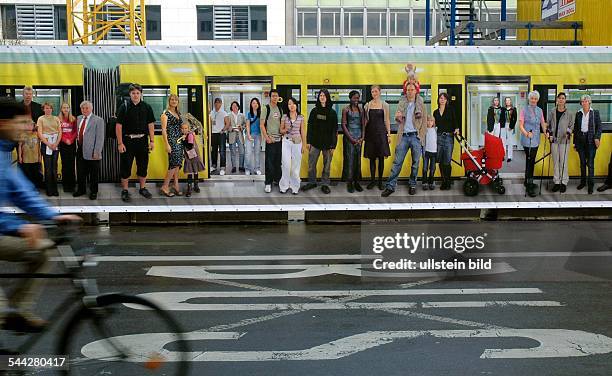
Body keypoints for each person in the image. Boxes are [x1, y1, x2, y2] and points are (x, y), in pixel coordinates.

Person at [0, 97, 81, 332]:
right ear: (4, 123)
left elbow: (20, 191)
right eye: (22, 123)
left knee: (42, 252)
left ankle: (17, 312)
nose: (28, 128)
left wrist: (53, 216)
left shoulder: (4, 152)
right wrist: (18, 227)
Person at [382, 82, 427, 197]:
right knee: (397, 162)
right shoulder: (402, 103)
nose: (410, 92)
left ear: (416, 91)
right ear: (405, 91)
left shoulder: (421, 104)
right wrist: (397, 117)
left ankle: (412, 184)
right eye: (408, 90)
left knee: (415, 163)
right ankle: (390, 186)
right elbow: (398, 119)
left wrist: (420, 137)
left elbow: (425, 122)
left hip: (415, 137)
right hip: (403, 136)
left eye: (412, 89)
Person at [115, 83, 156, 202]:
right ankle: (125, 190)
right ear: (130, 94)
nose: (136, 95)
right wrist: (120, 143)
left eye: (138, 93)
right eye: (133, 93)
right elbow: (118, 126)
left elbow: (150, 124)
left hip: (143, 140)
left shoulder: (147, 107)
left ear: (141, 94)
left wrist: (152, 140)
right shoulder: (124, 107)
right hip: (127, 141)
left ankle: (142, 188)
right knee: (125, 166)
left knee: (143, 165)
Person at [302, 89, 338, 194]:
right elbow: (310, 126)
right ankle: (312, 182)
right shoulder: (314, 111)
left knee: (327, 166)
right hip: (315, 143)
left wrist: (333, 145)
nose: (322, 97)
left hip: (328, 144)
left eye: (324, 95)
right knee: (311, 164)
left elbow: (334, 130)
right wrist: (308, 141)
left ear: (327, 97)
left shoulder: (332, 113)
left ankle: (325, 184)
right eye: (320, 95)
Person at [73, 101, 105, 200]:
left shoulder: (98, 120)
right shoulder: (78, 118)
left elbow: (100, 138)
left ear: (91, 109)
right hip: (80, 149)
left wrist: (97, 152)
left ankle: (93, 192)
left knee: (94, 173)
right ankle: (81, 190)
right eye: (83, 108)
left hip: (93, 151)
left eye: (87, 108)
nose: (85, 110)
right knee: (80, 171)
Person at [519, 91, 547, 197]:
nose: (533, 100)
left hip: (536, 139)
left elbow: (542, 123)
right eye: (532, 98)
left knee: (530, 160)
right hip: (527, 139)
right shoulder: (524, 110)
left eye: (535, 99)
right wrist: (526, 133)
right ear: (529, 99)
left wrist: (546, 133)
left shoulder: (540, 110)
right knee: (530, 160)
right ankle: (529, 185)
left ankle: (527, 180)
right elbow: (520, 125)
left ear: (537, 100)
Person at [363, 85, 391, 190]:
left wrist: (388, 134)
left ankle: (380, 181)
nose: (374, 93)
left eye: (375, 91)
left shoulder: (385, 105)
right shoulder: (367, 105)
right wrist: (362, 134)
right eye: (372, 92)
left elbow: (387, 120)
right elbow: (365, 121)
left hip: (381, 135)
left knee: (381, 159)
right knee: (371, 159)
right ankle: (372, 181)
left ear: (379, 92)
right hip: (370, 135)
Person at [573, 95, 602, 194]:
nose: (584, 103)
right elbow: (576, 129)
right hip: (580, 140)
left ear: (590, 102)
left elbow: (599, 127)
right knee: (582, 163)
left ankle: (590, 185)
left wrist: (597, 137)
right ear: (581, 103)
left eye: (586, 101)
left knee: (590, 164)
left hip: (591, 141)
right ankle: (583, 182)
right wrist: (574, 143)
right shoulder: (578, 113)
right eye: (583, 101)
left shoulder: (595, 113)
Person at [546, 92, 574, 193]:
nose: (561, 100)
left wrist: (568, 133)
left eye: (563, 98)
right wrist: (549, 133)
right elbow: (547, 124)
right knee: (555, 162)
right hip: (554, 140)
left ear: (565, 100)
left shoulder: (569, 113)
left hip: (564, 141)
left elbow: (571, 126)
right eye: (560, 98)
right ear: (557, 100)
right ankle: (557, 182)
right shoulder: (552, 111)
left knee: (563, 162)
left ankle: (564, 182)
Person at [279, 98, 307, 194]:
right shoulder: (284, 117)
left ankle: (295, 187)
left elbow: (303, 131)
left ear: (296, 105)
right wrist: (285, 129)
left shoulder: (301, 117)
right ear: (287, 106)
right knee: (286, 165)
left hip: (297, 143)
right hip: (286, 142)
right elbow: (280, 130)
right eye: (289, 104)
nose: (292, 105)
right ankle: (284, 186)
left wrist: (304, 145)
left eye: (293, 104)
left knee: (296, 166)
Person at [433, 93, 459, 190]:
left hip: (448, 137)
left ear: (447, 100)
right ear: (438, 100)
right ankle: (444, 181)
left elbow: (455, 120)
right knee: (439, 160)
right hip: (439, 137)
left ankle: (447, 182)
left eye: (444, 98)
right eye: (440, 98)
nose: (442, 100)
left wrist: (457, 128)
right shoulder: (435, 112)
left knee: (447, 161)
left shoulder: (451, 110)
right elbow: (434, 125)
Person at [160, 94, 185, 197]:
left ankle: (176, 185)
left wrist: (184, 134)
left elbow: (180, 127)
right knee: (173, 165)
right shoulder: (165, 114)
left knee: (178, 165)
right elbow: (164, 130)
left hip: (179, 142)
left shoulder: (178, 113)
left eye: (176, 100)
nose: (174, 101)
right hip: (172, 142)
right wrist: (167, 145)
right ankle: (165, 186)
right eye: (172, 99)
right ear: (169, 101)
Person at [341, 91, 365, 193]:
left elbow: (363, 124)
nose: (356, 100)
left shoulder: (361, 109)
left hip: (359, 138)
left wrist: (362, 137)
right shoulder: (345, 109)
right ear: (350, 98)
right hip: (349, 138)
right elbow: (343, 125)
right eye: (354, 98)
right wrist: (351, 139)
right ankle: (349, 182)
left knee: (357, 161)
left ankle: (356, 182)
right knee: (350, 161)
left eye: (358, 98)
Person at [36, 102, 62, 197]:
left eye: (50, 108)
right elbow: (40, 133)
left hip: (55, 144)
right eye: (46, 108)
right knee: (47, 168)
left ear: (52, 109)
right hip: (45, 144)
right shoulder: (40, 119)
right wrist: (48, 144)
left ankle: (55, 189)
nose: (48, 110)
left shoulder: (56, 119)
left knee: (54, 168)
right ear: (43, 109)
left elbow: (60, 132)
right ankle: (49, 189)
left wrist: (55, 144)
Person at [261, 89, 283, 193]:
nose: (275, 98)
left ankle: (277, 180)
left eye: (276, 96)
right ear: (270, 97)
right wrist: (267, 138)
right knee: (269, 162)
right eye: (273, 96)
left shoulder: (280, 109)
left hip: (279, 140)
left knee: (278, 162)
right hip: (270, 140)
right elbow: (262, 125)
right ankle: (268, 183)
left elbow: (281, 124)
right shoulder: (266, 108)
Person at [180, 123, 205, 197]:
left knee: (195, 171)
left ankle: (195, 186)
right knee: (190, 172)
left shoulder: (190, 135)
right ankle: (190, 187)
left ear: (188, 129)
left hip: (194, 156)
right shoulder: (184, 135)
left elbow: (190, 146)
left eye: (186, 128)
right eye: (183, 128)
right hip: (189, 156)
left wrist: (183, 140)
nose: (184, 130)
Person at [18, 118, 43, 189]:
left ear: (33, 126)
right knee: (27, 174)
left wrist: (39, 157)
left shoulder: (36, 134)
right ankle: (27, 188)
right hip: (26, 159)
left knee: (35, 174)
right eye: (27, 125)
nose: (29, 126)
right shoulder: (22, 135)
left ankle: (35, 187)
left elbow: (38, 146)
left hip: (35, 158)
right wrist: (20, 156)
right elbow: (20, 146)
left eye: (31, 125)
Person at [58, 102, 77, 193]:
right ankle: (66, 185)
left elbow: (75, 132)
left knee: (72, 164)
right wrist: (65, 140)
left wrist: (71, 140)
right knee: (65, 165)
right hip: (63, 144)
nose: (66, 109)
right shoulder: (58, 120)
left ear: (69, 109)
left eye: (67, 107)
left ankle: (72, 185)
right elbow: (58, 132)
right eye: (64, 107)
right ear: (61, 109)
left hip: (72, 144)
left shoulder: (73, 119)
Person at [209, 97, 230, 176]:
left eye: (219, 102)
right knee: (213, 151)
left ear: (221, 104)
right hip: (213, 134)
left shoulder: (224, 113)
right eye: (216, 102)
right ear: (214, 104)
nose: (217, 104)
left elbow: (227, 123)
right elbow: (209, 123)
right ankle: (214, 165)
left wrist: (223, 130)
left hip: (221, 134)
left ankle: (222, 168)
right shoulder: (211, 113)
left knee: (222, 151)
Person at [245, 98, 262, 176]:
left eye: (256, 103)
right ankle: (247, 169)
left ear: (258, 104)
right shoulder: (249, 113)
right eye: (253, 103)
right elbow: (247, 125)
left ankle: (257, 168)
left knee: (257, 153)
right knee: (248, 153)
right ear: (251, 105)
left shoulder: (261, 113)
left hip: (258, 135)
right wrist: (248, 135)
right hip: (250, 135)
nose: (255, 104)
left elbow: (262, 125)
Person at [228, 101, 246, 174]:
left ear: (238, 107)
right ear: (231, 107)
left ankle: (241, 166)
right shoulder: (228, 115)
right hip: (232, 135)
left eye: (236, 106)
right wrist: (231, 128)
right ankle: (234, 167)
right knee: (233, 152)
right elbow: (226, 125)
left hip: (240, 135)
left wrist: (241, 127)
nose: (234, 107)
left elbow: (245, 124)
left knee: (242, 152)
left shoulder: (241, 115)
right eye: (233, 106)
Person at [499, 97, 517, 162]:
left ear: (510, 101)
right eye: (506, 100)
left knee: (510, 141)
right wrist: (501, 125)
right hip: (503, 126)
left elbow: (515, 119)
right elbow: (501, 117)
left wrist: (511, 127)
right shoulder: (503, 109)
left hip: (510, 126)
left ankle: (509, 157)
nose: (507, 102)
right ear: (505, 102)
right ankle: (503, 156)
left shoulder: (513, 109)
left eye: (509, 100)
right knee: (502, 141)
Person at [422, 115, 437, 190]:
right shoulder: (425, 130)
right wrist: (423, 151)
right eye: (428, 120)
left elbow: (437, 141)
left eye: (431, 121)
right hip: (426, 152)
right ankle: (424, 182)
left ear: (433, 122)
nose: (429, 122)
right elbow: (423, 141)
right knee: (425, 168)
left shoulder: (435, 130)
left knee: (432, 168)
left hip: (434, 152)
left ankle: (431, 181)